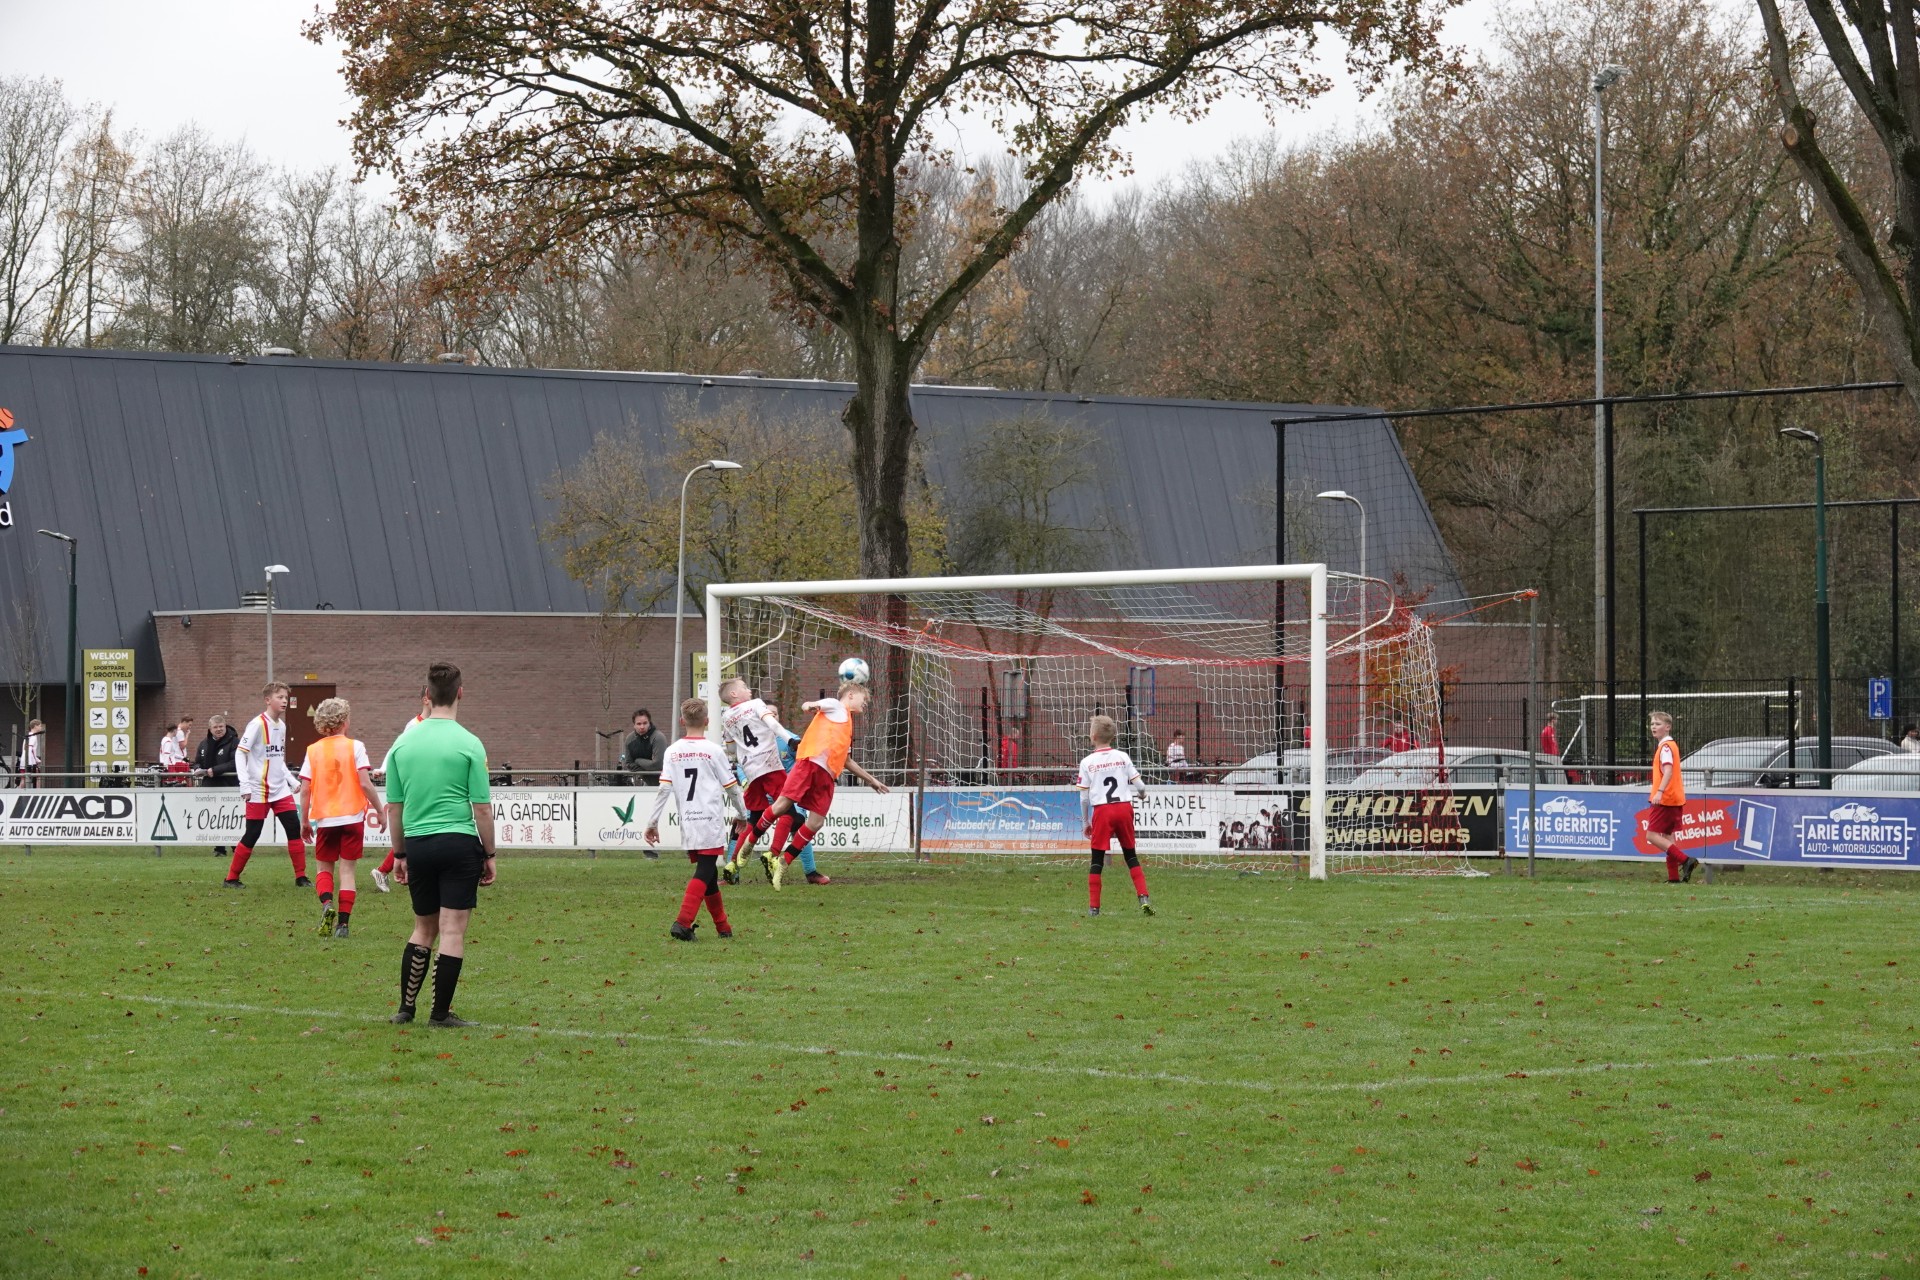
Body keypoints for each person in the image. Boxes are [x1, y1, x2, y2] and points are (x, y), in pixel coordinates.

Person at [386, 662, 495, 1028]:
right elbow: (481, 808)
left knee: (423, 927)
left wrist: (399, 854)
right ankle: (440, 1013)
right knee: (451, 930)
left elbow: (395, 808)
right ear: (460, 693)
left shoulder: (402, 744)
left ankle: (405, 1008)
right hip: (459, 843)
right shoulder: (469, 743)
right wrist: (490, 854)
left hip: (418, 844)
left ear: (427, 696)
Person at [730, 679, 890, 890]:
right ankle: (750, 842)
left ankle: (784, 862)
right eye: (864, 699)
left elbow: (846, 760)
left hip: (826, 776)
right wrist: (810, 706)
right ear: (851, 695)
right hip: (809, 765)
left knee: (815, 823)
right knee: (781, 806)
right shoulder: (835, 705)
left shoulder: (847, 724)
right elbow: (814, 704)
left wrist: (872, 781)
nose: (865, 704)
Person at [646, 698, 748, 940]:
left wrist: (652, 822)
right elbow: (732, 787)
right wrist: (742, 814)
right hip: (709, 820)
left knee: (710, 876)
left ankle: (724, 928)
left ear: (682, 721)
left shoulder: (672, 751)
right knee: (705, 870)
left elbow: (663, 789)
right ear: (707, 721)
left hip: (688, 820)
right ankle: (682, 922)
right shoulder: (714, 750)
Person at [298, 697, 383, 940]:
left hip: (326, 818)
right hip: (353, 816)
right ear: (345, 721)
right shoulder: (355, 746)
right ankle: (343, 925)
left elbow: (305, 789)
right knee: (348, 872)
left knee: (324, 868)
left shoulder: (312, 750)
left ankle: (327, 904)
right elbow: (365, 784)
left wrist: (304, 821)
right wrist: (379, 809)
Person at [717, 678, 808, 883]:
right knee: (788, 811)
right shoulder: (756, 704)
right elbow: (773, 725)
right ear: (733, 694)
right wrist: (791, 740)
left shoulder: (727, 717)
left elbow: (731, 749)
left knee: (754, 818)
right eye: (744, 688)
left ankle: (733, 864)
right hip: (770, 764)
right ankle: (773, 854)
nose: (749, 690)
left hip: (750, 770)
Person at [224, 684, 310, 889]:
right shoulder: (256, 724)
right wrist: (244, 785)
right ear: (267, 700)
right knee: (252, 834)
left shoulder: (281, 726)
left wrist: (291, 780)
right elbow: (240, 753)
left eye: (286, 698)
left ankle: (301, 877)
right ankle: (231, 878)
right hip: (258, 789)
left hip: (280, 790)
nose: (284, 701)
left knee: (292, 829)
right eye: (280, 697)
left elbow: (277, 758)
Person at [1077, 714, 1153, 917]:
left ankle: (1094, 908)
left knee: (1097, 860)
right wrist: (1143, 795)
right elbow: (1141, 786)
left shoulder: (1087, 762)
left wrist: (1086, 822)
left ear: (1093, 736)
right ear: (1113, 736)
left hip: (1103, 810)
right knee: (1130, 855)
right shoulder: (1122, 756)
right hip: (1124, 808)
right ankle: (1143, 897)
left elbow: (1084, 799)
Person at [367, 689, 432, 894]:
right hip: (414, 786)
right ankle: (383, 870)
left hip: (426, 785)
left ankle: (390, 870)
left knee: (417, 832)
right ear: (425, 699)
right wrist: (383, 768)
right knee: (413, 832)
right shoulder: (414, 725)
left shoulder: (436, 725)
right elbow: (396, 749)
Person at [1644, 710, 1695, 883]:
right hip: (1675, 798)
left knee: (1651, 835)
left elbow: (1668, 770)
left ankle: (1685, 860)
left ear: (1668, 727)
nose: (1653, 727)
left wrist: (1659, 791)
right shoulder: (1670, 746)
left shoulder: (1666, 747)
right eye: (1652, 724)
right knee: (1668, 838)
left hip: (1665, 799)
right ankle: (1673, 877)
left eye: (1657, 724)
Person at [196, 714, 240, 857]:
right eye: (215, 727)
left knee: (231, 818)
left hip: (229, 786)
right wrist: (197, 769)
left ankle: (236, 847)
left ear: (225, 726)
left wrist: (215, 770)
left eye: (221, 726)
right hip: (210, 787)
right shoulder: (204, 744)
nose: (219, 729)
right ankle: (219, 848)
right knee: (214, 817)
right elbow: (197, 761)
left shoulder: (234, 742)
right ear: (210, 729)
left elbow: (235, 763)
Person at [620, 709, 666, 785]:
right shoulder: (629, 739)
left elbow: (658, 765)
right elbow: (628, 763)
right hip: (646, 782)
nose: (642, 727)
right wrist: (648, 768)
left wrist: (638, 761)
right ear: (634, 725)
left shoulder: (658, 737)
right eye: (639, 724)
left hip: (664, 783)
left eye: (645, 723)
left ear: (649, 723)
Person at [159, 716, 193, 782]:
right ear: (174, 731)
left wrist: (182, 758)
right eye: (177, 731)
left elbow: (172, 754)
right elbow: (166, 755)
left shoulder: (166, 739)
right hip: (170, 766)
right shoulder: (168, 741)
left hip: (170, 765)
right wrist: (166, 768)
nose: (177, 732)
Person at [20, 718, 44, 787]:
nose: (41, 727)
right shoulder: (33, 737)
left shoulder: (29, 735)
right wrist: (36, 760)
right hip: (30, 762)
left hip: (24, 760)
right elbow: (30, 750)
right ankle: (38, 793)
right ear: (35, 726)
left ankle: (18, 793)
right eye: (40, 726)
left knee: (23, 779)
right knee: (38, 777)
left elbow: (27, 749)